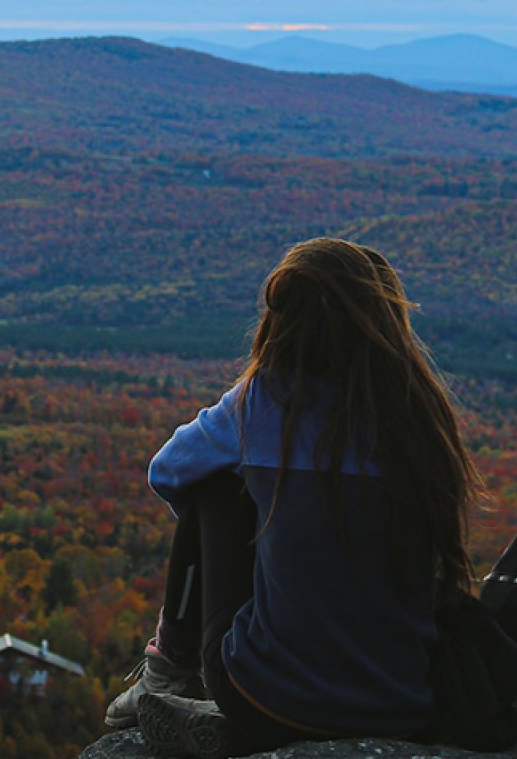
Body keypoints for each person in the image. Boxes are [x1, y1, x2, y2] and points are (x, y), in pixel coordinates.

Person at [104, 237, 492, 757]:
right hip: (402, 700)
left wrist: (253, 533)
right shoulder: (419, 415)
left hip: (263, 694)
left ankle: (167, 673)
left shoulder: (264, 399)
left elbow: (170, 471)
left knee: (215, 486)